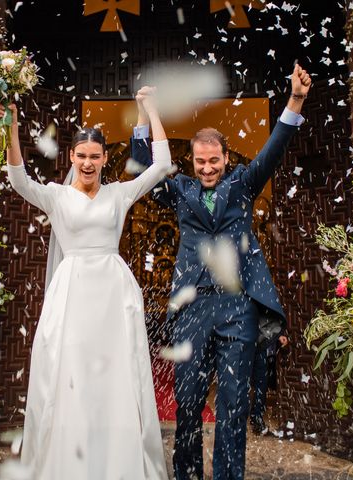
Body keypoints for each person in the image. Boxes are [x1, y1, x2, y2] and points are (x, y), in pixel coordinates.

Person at [131, 63, 311, 480]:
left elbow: (274, 150)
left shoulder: (243, 186)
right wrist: (144, 116)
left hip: (237, 308)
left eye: (214, 161)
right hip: (192, 306)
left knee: (233, 403)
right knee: (188, 400)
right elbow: (143, 171)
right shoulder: (179, 192)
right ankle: (187, 474)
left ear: (226, 159)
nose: (207, 168)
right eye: (200, 162)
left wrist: (295, 100)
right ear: (190, 161)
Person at [0, 88, 171, 479]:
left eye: (95, 156)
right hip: (71, 294)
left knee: (115, 378)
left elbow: (162, 165)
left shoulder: (119, 194)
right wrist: (10, 128)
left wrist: (152, 110)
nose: (88, 163)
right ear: (72, 158)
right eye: (81, 156)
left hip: (113, 294)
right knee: (69, 376)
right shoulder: (56, 197)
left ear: (105, 158)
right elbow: (18, 179)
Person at [249, 333, 288, 435]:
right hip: (258, 346)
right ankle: (255, 418)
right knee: (261, 384)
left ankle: (255, 417)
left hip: (263, 348)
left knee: (261, 384)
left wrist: (277, 336)